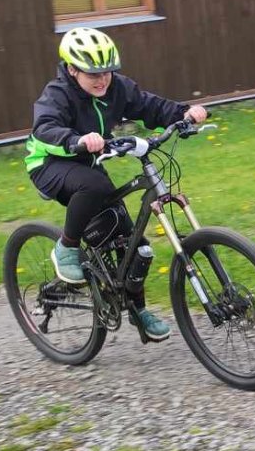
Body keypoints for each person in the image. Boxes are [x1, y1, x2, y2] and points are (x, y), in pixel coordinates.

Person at [24, 27, 208, 341]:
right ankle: (66, 247)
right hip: (50, 163)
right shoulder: (57, 94)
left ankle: (138, 309)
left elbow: (149, 106)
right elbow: (45, 129)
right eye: (93, 73)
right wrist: (77, 140)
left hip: (90, 163)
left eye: (107, 71)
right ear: (72, 69)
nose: (102, 79)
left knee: (134, 244)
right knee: (95, 187)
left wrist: (184, 113)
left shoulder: (117, 88)